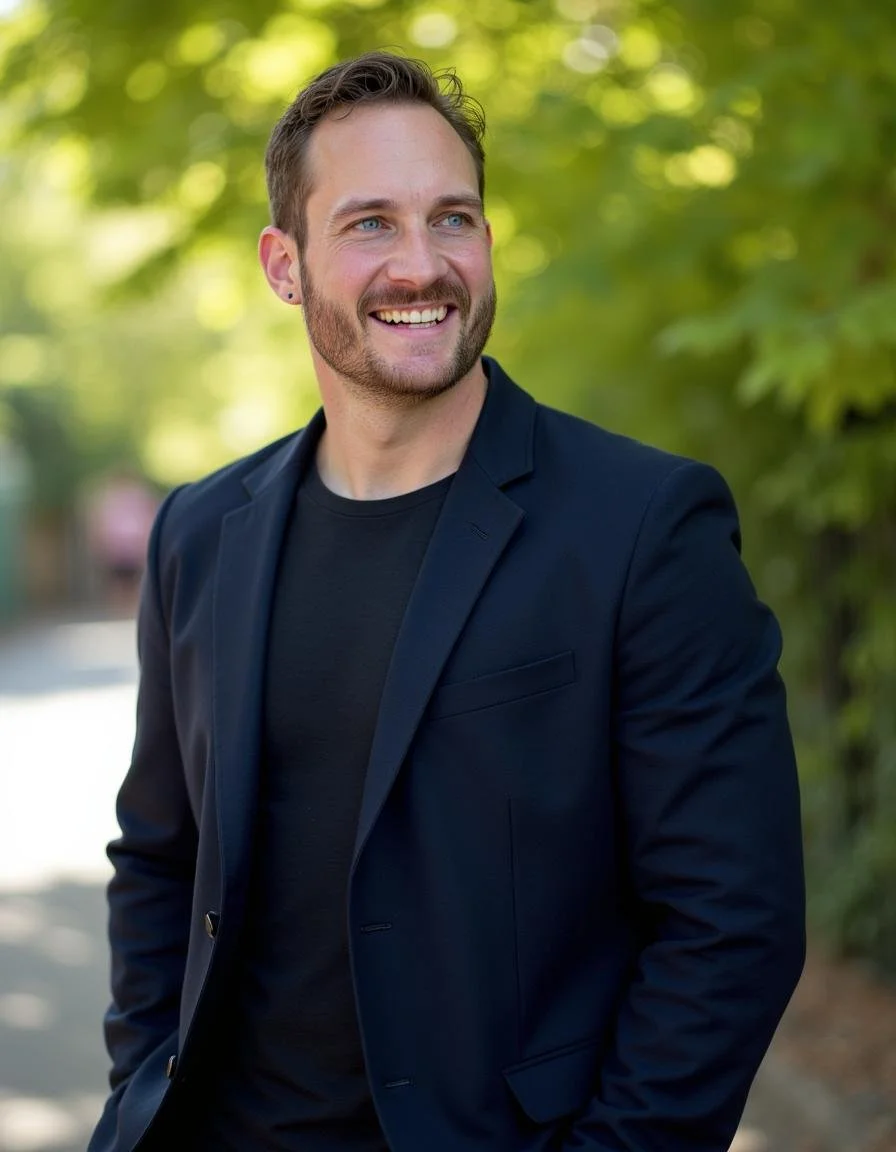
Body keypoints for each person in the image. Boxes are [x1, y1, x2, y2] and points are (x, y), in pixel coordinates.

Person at [90, 50, 805, 1152]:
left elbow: (731, 922)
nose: (421, 266)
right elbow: (160, 856)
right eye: (369, 224)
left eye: (452, 218)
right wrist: (143, 1086)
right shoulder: (200, 531)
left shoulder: (641, 525)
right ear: (285, 266)